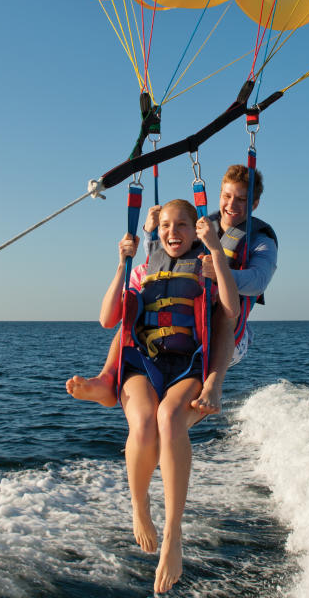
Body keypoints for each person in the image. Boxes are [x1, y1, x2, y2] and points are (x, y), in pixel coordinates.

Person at [97, 199, 239, 593]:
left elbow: (230, 310)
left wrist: (215, 253)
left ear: (196, 229)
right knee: (143, 423)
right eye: (165, 226)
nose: (173, 233)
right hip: (144, 363)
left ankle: (173, 533)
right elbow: (108, 319)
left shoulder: (208, 262)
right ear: (156, 232)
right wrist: (122, 262)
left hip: (187, 365)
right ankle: (140, 506)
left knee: (169, 420)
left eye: (182, 226)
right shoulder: (145, 266)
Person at [66, 165, 277, 415]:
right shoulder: (201, 225)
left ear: (254, 204)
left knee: (223, 311)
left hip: (229, 333)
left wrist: (220, 274)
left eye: (241, 199)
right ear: (220, 195)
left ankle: (213, 386)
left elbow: (258, 281)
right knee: (136, 307)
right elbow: (166, 262)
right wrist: (148, 232)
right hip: (189, 319)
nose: (232, 204)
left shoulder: (262, 241)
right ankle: (108, 378)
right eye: (227, 196)